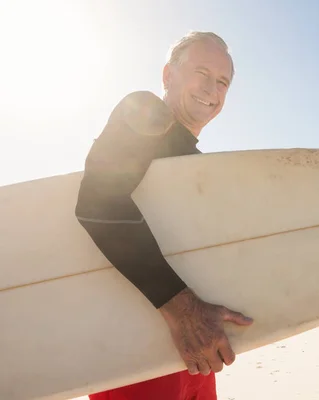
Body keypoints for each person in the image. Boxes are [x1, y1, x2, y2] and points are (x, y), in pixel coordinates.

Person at [75, 31, 253, 400]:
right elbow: (99, 203)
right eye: (202, 72)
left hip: (192, 347)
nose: (212, 88)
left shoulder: (193, 167)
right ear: (168, 75)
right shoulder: (145, 113)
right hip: (140, 347)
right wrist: (184, 311)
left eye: (223, 82)